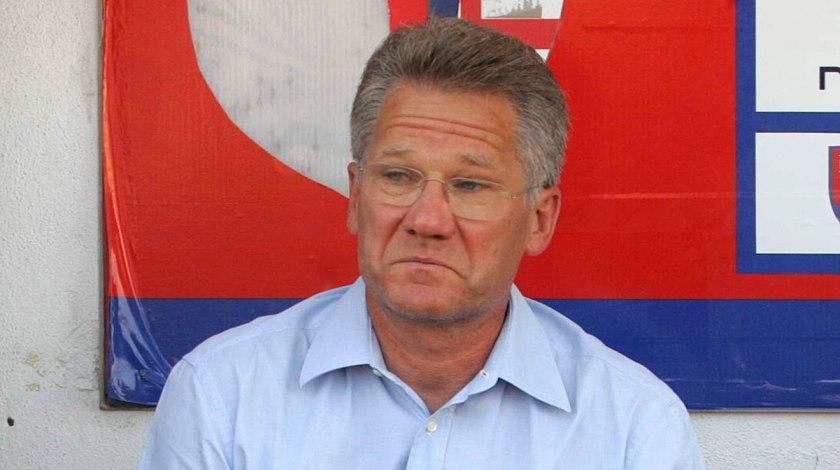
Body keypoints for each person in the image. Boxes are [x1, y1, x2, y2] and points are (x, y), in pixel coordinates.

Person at [140, 17, 705, 469]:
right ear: (356, 195)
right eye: (398, 176)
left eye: (469, 185)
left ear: (538, 219)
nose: (427, 219)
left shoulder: (632, 426)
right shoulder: (223, 396)